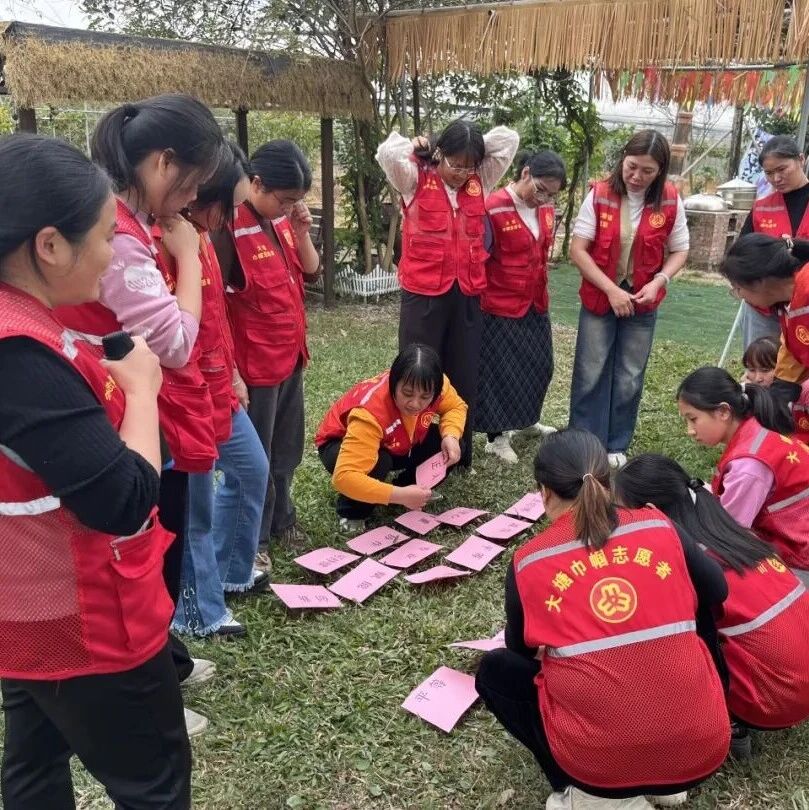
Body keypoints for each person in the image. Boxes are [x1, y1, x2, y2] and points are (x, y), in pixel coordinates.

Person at [0, 134, 190, 808]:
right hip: (88, 623)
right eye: (107, 237)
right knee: (153, 786)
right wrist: (141, 391)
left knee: (33, 767)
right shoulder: (21, 356)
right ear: (50, 245)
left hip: (25, 610)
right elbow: (125, 498)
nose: (114, 255)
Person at [55, 94, 224, 724]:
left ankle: (167, 661)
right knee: (142, 556)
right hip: (125, 414)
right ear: (161, 162)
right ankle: (155, 697)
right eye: (193, 183)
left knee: (155, 546)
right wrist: (188, 261)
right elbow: (175, 343)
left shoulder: (124, 223)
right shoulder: (123, 240)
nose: (193, 198)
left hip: (134, 406)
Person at [475, 429, 729, 809]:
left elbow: (519, 651)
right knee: (697, 618)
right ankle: (667, 775)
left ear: (545, 492)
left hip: (600, 768)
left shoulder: (530, 561)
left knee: (496, 670)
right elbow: (717, 590)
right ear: (608, 481)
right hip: (703, 748)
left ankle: (589, 794)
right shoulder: (658, 524)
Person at [615, 454, 809, 759]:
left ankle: (730, 725)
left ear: (651, 511)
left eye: (622, 512)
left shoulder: (686, 562)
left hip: (775, 698)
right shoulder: (725, 528)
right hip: (798, 677)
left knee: (658, 645)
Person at [159, 142, 270, 639]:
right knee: (194, 505)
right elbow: (171, 335)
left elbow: (215, 317)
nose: (231, 219)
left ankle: (228, 572)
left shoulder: (200, 235)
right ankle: (197, 610)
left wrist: (234, 375)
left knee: (251, 469)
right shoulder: (163, 239)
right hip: (181, 394)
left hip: (218, 384)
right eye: (228, 206)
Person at [376, 119, 519, 468]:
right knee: (418, 370)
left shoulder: (480, 181)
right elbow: (386, 152)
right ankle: (414, 452)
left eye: (470, 166)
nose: (461, 173)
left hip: (467, 292)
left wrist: (471, 148)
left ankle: (458, 452)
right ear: (440, 153)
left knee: (463, 372)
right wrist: (420, 145)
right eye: (455, 164)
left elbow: (508, 140)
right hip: (423, 293)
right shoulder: (414, 177)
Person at [211, 139, 320, 562]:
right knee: (254, 457)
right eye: (285, 199)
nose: (289, 207)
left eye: (295, 201)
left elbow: (310, 270)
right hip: (255, 366)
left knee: (286, 449)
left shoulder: (281, 222)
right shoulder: (228, 226)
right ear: (257, 183)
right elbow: (216, 305)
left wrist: (301, 232)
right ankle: (252, 540)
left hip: (289, 356)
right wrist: (231, 372)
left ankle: (282, 519)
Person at [568, 130, 689, 469]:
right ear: (623, 159)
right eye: (632, 166)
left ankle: (616, 443)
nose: (636, 176)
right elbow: (578, 250)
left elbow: (680, 250)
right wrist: (611, 289)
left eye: (647, 171)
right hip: (600, 297)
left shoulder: (670, 200)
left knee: (630, 374)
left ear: (660, 171)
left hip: (642, 300)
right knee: (591, 369)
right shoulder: (599, 195)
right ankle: (584, 441)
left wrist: (660, 280)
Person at [476, 150, 567, 464]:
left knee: (540, 365)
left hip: (535, 300)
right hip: (500, 303)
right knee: (500, 371)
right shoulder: (493, 207)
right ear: (525, 173)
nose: (543, 199)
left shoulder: (544, 210)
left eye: (551, 195)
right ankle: (496, 437)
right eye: (540, 190)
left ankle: (527, 420)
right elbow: (480, 258)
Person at [315, 344, 467, 532]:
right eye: (407, 393)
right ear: (393, 384)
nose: (415, 404)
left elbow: (455, 407)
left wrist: (451, 434)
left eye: (425, 397)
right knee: (379, 462)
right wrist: (398, 495)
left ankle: (412, 489)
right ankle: (352, 513)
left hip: (399, 440)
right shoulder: (369, 413)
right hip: (339, 444)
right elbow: (344, 477)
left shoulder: (439, 385)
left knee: (450, 445)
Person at [677, 366, 809, 577]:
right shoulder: (755, 427)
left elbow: (727, 534)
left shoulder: (748, 467)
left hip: (800, 560)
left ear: (723, 411)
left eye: (693, 419)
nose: (689, 430)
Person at [721, 232, 809, 425]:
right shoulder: (788, 305)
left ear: (758, 282)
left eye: (737, 288)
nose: (740, 296)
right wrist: (780, 392)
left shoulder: (806, 290)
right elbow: (791, 353)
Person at [737, 135, 809, 347]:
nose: (776, 178)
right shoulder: (762, 207)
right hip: (765, 309)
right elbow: (741, 253)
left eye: (782, 169)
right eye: (769, 173)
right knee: (762, 362)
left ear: (801, 159)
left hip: (805, 304)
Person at [742, 336, 809, 441]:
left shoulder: (805, 390)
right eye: (751, 370)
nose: (758, 378)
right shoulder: (747, 393)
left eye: (765, 370)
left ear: (783, 367)